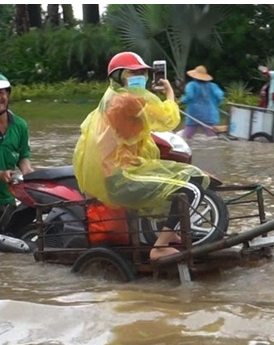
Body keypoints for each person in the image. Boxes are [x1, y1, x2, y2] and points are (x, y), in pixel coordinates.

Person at [73, 51, 210, 260]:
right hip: (122, 177)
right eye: (133, 72)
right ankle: (160, 247)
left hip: (126, 170)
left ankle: (169, 233)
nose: (140, 77)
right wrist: (170, 93)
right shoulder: (125, 100)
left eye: (142, 73)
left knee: (189, 178)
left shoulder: (116, 99)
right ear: (118, 77)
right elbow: (168, 119)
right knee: (192, 186)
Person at [0, 72, 34, 249]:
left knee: (11, 243)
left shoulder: (20, 125)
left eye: (1, 92)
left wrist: (28, 173)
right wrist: (0, 174)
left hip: (8, 197)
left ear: (8, 94)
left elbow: (23, 155)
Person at [180, 65, 225, 139]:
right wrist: (216, 105)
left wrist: (181, 101)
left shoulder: (191, 85)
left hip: (194, 115)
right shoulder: (213, 86)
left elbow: (189, 96)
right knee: (212, 137)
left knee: (187, 136)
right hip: (209, 116)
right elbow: (220, 96)